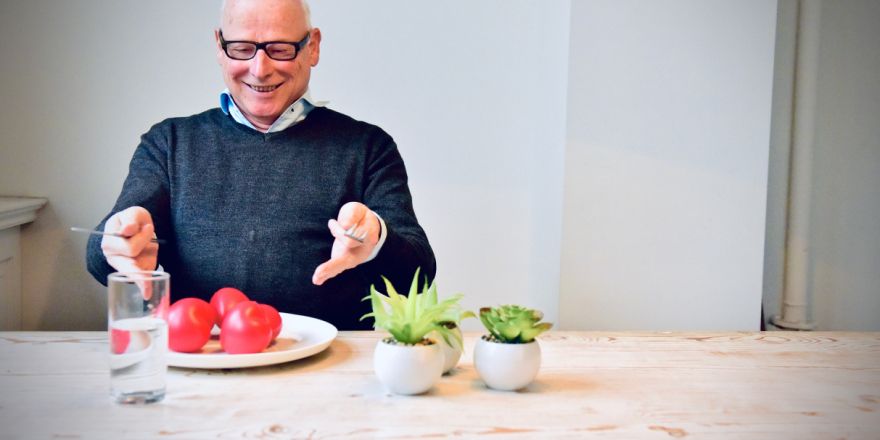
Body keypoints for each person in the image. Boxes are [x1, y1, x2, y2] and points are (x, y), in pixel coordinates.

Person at [86, 0, 435, 330]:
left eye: (280, 48)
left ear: (312, 47)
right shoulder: (168, 143)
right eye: (241, 48)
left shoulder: (368, 147)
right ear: (219, 47)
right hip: (200, 359)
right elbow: (101, 259)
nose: (260, 69)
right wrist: (117, 245)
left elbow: (418, 273)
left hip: (330, 367)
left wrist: (375, 240)